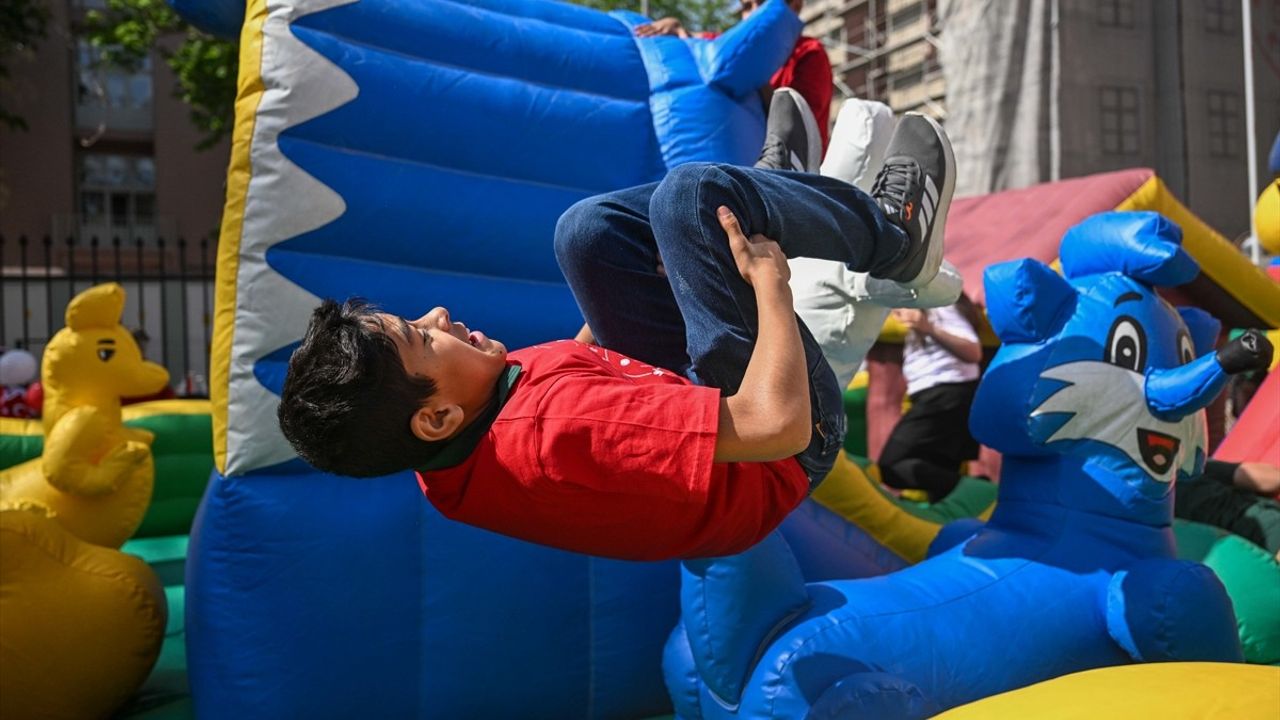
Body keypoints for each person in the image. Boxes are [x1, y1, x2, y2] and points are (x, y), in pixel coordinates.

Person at [277, 96, 955, 561]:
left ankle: (761, 199)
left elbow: (570, 398)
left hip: (716, 443)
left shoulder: (443, 463)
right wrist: (770, 291)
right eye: (422, 338)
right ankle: (894, 236)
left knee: (588, 233)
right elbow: (774, 426)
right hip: (779, 453)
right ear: (436, 417)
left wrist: (641, 283)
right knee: (693, 198)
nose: (439, 316)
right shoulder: (569, 428)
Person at [635, 0, 834, 155]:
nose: (754, 13)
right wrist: (678, 29)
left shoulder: (809, 52)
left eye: (763, 4)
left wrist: (752, 75)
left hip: (790, 175)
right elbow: (709, 48)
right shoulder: (736, 50)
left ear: (794, 7)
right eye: (747, 6)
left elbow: (799, 126)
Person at [876, 295, 983, 502]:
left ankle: (979, 491)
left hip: (945, 393)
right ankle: (959, 513)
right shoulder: (926, 313)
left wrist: (929, 328)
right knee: (938, 471)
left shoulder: (940, 307)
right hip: (946, 395)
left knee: (892, 465)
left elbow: (973, 351)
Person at [1176, 459, 1280, 558]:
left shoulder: (1188, 465)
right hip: (1261, 534)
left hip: (1242, 557)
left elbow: (1245, 475)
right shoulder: (1184, 467)